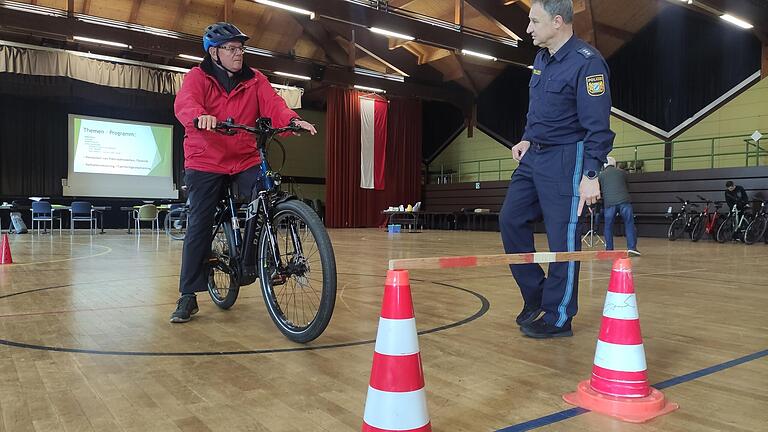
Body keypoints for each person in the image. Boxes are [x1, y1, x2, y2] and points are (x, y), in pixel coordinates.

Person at [171, 22, 316, 323]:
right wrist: (200, 117)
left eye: (241, 48)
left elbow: (274, 104)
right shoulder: (198, 78)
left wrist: (292, 120)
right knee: (200, 221)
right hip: (205, 159)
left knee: (265, 197)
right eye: (232, 49)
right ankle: (188, 295)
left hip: (243, 156)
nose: (239, 54)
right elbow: (186, 103)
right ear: (214, 52)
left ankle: (265, 258)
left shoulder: (255, 80)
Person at [499, 0, 614, 338]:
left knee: (562, 238)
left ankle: (558, 317)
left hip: (568, 157)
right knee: (510, 219)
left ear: (558, 21)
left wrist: (591, 174)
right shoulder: (541, 58)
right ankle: (536, 296)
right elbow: (540, 108)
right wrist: (526, 138)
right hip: (534, 154)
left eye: (535, 22)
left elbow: (598, 128)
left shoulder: (588, 64)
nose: (528, 29)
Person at [599, 156, 639, 255]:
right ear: (615, 164)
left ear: (604, 165)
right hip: (624, 201)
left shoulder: (601, 175)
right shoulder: (622, 172)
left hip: (609, 203)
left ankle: (609, 250)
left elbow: (600, 190)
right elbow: (627, 186)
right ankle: (632, 248)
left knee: (608, 227)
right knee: (629, 224)